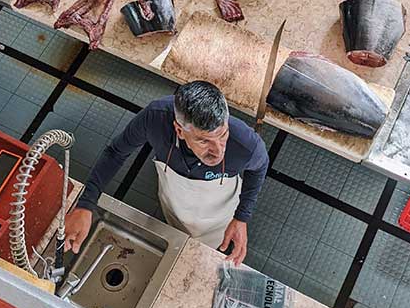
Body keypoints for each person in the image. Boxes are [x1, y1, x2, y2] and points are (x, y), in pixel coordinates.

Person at [64, 81, 269, 265]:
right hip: (173, 202)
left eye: (222, 135)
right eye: (203, 141)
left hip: (219, 215)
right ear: (179, 131)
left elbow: (260, 167)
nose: (217, 151)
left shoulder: (246, 144)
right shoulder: (154, 118)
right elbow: (116, 152)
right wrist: (86, 204)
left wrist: (241, 217)